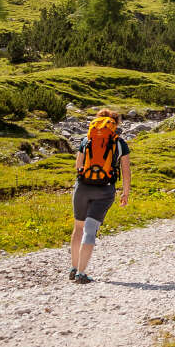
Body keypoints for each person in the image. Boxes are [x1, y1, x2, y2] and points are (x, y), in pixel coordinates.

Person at [70, 108, 131, 283]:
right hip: (105, 190)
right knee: (90, 229)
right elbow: (125, 171)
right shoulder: (120, 143)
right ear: (115, 124)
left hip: (82, 187)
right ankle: (82, 273)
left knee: (78, 227)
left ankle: (74, 268)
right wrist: (125, 192)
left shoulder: (86, 139)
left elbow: (78, 165)